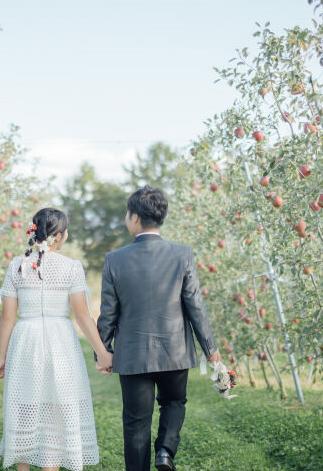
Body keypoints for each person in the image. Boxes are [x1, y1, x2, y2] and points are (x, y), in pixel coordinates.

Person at [96, 186, 220, 471]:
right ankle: (165, 451)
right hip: (174, 351)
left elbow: (109, 313)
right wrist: (211, 351)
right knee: (174, 402)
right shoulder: (182, 254)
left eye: (127, 215)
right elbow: (195, 307)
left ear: (135, 217)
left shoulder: (114, 259)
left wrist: (103, 351)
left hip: (132, 355)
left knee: (136, 421)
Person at [0, 208, 112, 471]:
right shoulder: (71, 267)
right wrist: (103, 353)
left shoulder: (17, 265)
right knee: (55, 407)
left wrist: (1, 356)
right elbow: (82, 316)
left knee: (23, 405)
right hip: (60, 342)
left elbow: (7, 318)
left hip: (25, 341)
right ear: (58, 236)